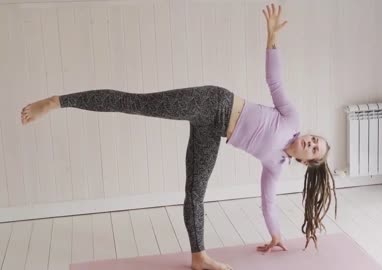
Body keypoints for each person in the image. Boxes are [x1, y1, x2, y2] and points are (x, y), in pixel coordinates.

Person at [20, 3, 337, 270]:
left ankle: (198, 256)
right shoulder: (291, 119)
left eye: (313, 149)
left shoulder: (276, 165)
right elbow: (274, 80)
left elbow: (268, 201)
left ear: (306, 161)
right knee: (136, 103)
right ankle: (56, 101)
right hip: (214, 102)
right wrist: (271, 39)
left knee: (196, 191)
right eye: (314, 139)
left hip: (211, 131)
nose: (310, 143)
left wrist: (276, 234)